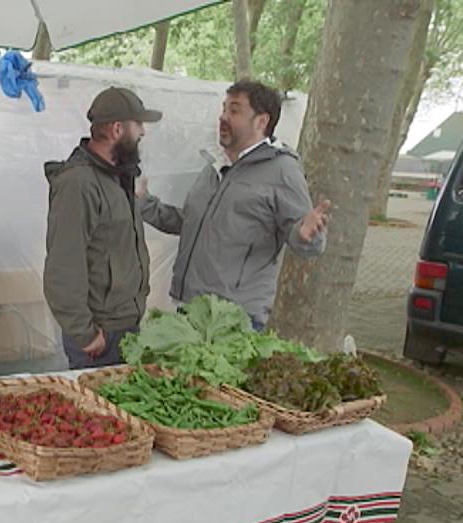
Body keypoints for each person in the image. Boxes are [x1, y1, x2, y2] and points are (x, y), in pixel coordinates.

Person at [139, 80, 329, 331]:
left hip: (234, 319)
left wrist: (306, 236)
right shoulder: (216, 166)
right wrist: (143, 202)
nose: (223, 117)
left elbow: (304, 238)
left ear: (261, 121)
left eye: (234, 110)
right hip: (191, 309)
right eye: (224, 108)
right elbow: (189, 223)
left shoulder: (282, 170)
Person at [43, 86, 162, 369]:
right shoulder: (78, 184)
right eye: (138, 124)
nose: (143, 132)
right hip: (100, 335)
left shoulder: (117, 178)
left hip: (124, 326)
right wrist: (85, 334)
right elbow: (63, 266)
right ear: (117, 129)